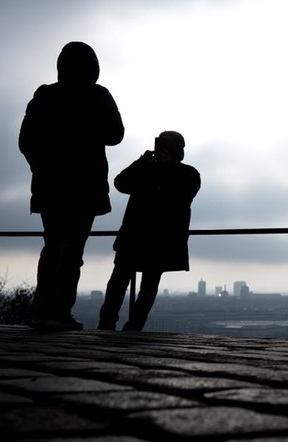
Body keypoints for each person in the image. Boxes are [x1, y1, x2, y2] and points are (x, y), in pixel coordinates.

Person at [19, 41, 124, 331]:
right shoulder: (98, 96)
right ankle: (59, 312)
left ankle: (41, 311)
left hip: (49, 187)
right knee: (72, 250)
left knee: (51, 247)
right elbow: (116, 134)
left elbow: (25, 142)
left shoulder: (44, 96)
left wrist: (40, 167)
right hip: (84, 187)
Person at [97, 131, 200, 331]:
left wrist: (159, 167)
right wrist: (142, 162)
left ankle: (118, 325)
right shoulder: (168, 171)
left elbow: (183, 194)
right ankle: (122, 325)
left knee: (131, 283)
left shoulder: (186, 174)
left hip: (144, 236)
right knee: (133, 283)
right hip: (151, 238)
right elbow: (120, 183)